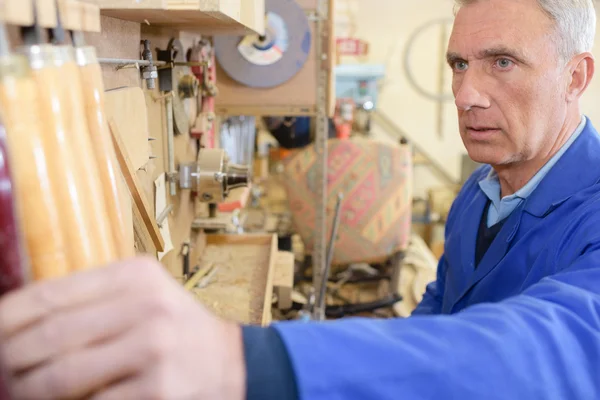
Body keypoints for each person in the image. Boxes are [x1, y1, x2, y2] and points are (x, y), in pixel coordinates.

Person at [1, 0, 600, 398]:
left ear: (576, 77)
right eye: (459, 63)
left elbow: (558, 350)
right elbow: (440, 309)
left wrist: (249, 361)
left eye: (502, 63)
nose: (466, 93)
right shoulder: (480, 190)